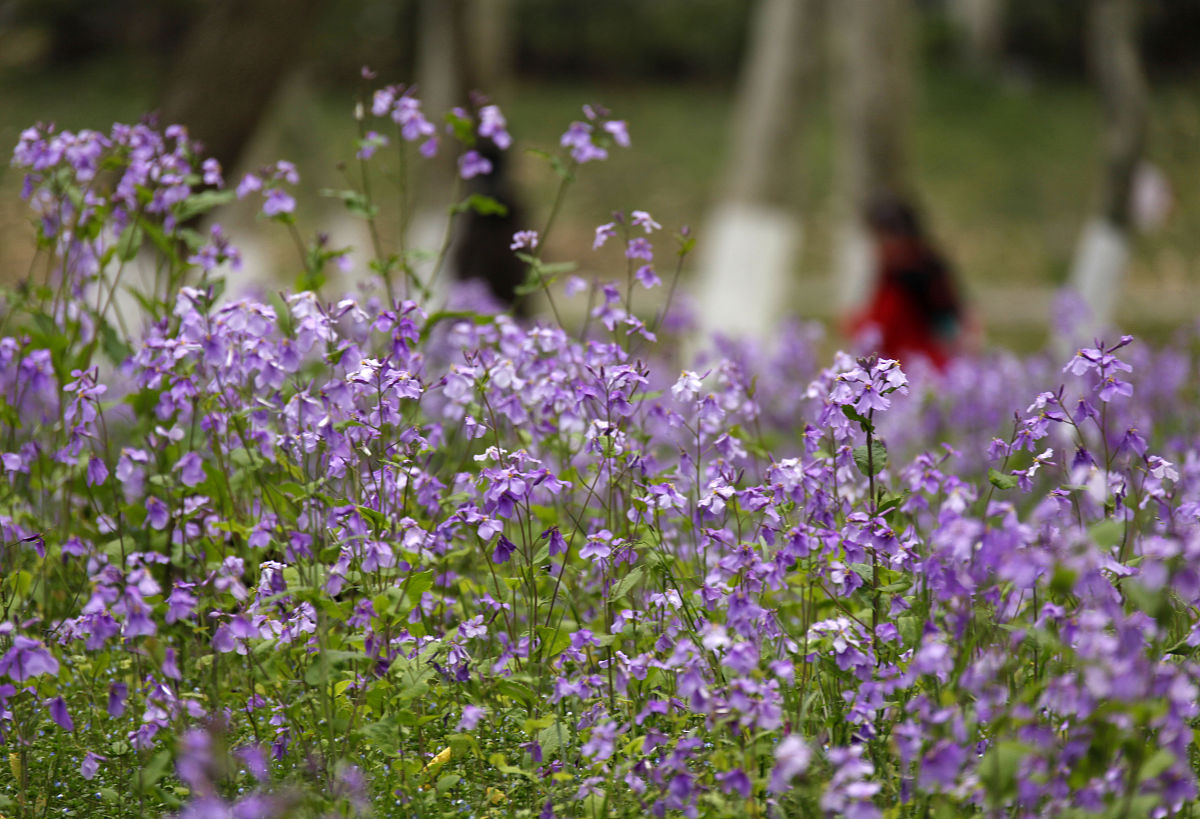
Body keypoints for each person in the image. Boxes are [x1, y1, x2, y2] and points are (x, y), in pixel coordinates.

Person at [845, 195, 968, 370]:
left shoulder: (902, 283)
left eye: (881, 238)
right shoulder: (919, 267)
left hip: (912, 371)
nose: (876, 248)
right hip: (917, 369)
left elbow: (877, 329)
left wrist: (852, 323)